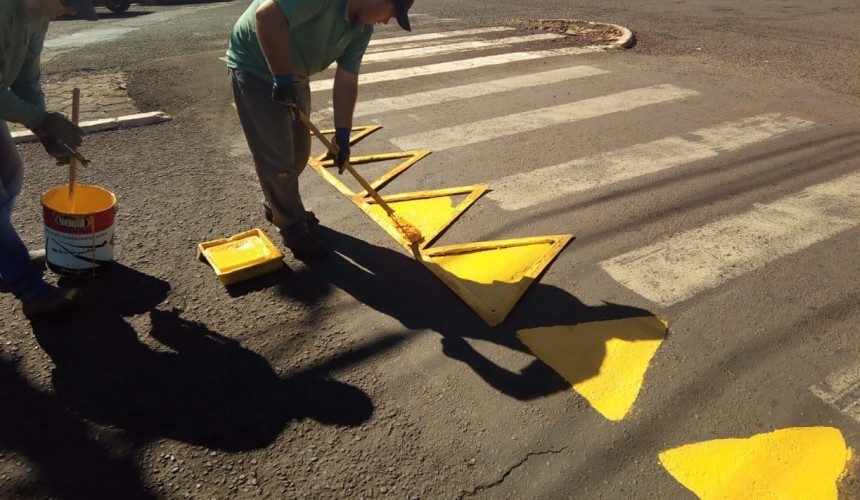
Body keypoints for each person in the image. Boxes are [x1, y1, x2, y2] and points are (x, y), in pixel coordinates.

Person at [227, 0, 414, 259]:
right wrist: (281, 78)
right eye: (392, 13)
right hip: (255, 65)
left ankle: (277, 203)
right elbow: (267, 16)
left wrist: (343, 134)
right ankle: (294, 231)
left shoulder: (361, 30)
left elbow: (347, 79)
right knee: (277, 161)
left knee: (299, 154)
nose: (386, 21)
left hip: (293, 75)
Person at [1, 0, 98, 316]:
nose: (71, 12)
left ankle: (5, 256)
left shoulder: (38, 18)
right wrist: (41, 119)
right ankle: (29, 288)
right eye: (70, 5)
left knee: (10, 175)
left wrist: (45, 132)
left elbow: (26, 79)